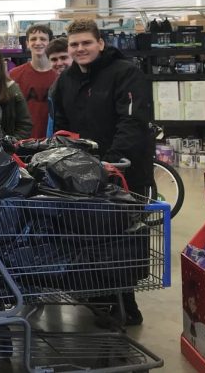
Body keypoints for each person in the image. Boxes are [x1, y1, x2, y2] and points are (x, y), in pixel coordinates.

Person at [50, 19, 154, 326]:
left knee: (120, 239)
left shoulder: (127, 74)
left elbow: (132, 123)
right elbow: (62, 126)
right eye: (74, 44)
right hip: (81, 175)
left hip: (125, 173)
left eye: (86, 43)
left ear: (100, 43)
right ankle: (99, 297)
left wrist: (111, 161)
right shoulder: (67, 80)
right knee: (88, 235)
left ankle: (126, 304)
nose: (80, 49)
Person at [9, 24, 57, 139]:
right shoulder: (14, 75)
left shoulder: (59, 75)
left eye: (43, 39)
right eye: (33, 39)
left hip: (53, 141)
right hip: (23, 140)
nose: (38, 42)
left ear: (50, 43)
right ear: (27, 44)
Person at [44, 37, 71, 136]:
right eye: (54, 59)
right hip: (60, 144)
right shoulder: (54, 87)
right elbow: (52, 120)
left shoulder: (83, 84)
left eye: (64, 58)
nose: (59, 63)